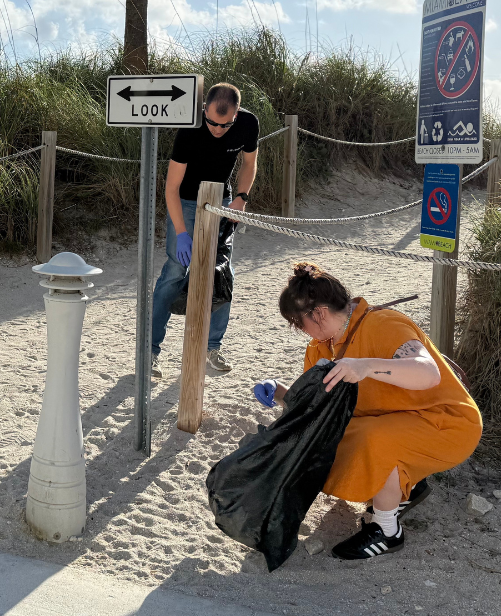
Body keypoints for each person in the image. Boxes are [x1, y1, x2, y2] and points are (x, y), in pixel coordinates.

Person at [276, 262, 482, 560]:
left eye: (298, 322)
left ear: (318, 313)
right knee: (335, 441)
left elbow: (428, 374)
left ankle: (387, 530)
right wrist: (282, 394)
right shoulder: (320, 347)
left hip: (448, 423)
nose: (299, 330)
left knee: (373, 440)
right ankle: (408, 485)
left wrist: (367, 366)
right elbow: (318, 409)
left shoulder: (383, 324)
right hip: (401, 420)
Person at [150, 83, 258, 377]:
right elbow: (170, 188)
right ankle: (150, 351)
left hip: (221, 201)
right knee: (175, 271)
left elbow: (249, 163)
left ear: (237, 114)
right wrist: (182, 232)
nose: (218, 129)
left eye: (226, 124)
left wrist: (241, 197)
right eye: (212, 121)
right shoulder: (190, 128)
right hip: (184, 200)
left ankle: (212, 347)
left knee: (221, 272)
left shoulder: (248, 123)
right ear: (204, 110)